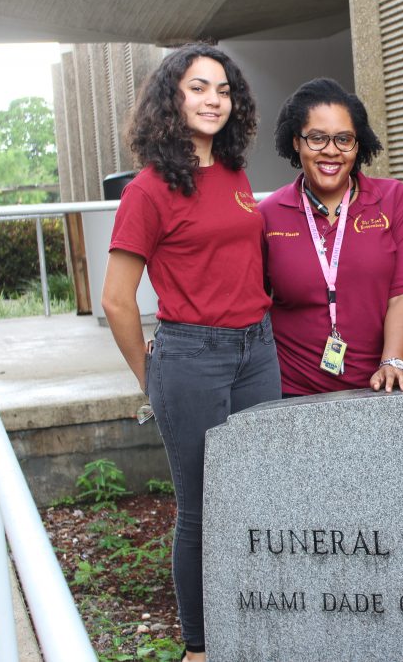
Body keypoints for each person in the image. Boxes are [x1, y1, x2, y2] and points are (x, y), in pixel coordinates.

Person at [101, 44, 279, 660]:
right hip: (191, 356)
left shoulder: (233, 173)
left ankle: (259, 625)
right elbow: (118, 301)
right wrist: (151, 378)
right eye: (199, 88)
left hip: (258, 349)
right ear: (170, 100)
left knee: (259, 498)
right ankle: (199, 648)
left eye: (224, 90)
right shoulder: (148, 190)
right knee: (201, 512)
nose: (214, 100)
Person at [259, 78, 403, 396]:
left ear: (358, 143)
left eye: (343, 139)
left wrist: (393, 361)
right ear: (296, 142)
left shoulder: (394, 199)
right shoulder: (268, 214)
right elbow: (251, 301)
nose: (331, 151)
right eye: (317, 139)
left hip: (390, 387)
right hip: (297, 392)